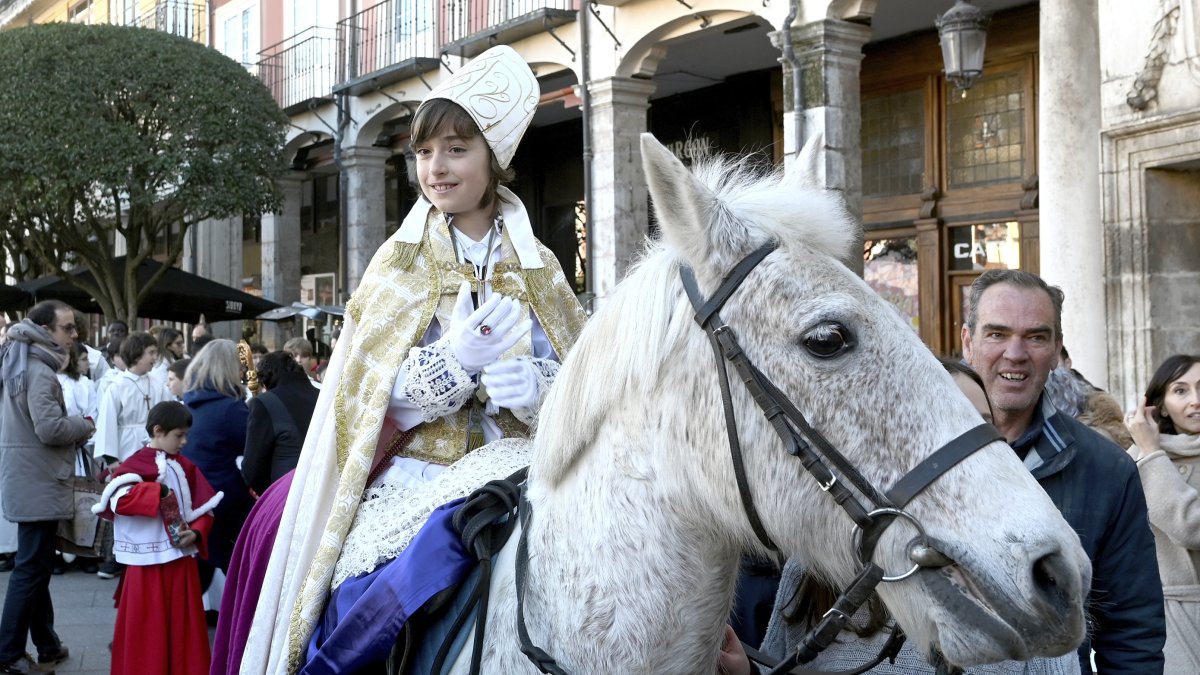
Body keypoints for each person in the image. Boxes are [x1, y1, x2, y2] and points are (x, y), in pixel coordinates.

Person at [229, 45, 587, 675]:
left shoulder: (544, 269)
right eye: (424, 152)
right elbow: (360, 395)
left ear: (494, 159)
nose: (436, 168)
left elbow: (587, 385)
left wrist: (539, 390)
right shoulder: (397, 263)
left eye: (456, 148)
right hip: (418, 477)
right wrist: (449, 363)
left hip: (525, 464)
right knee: (365, 602)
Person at [727, 360, 1080, 675]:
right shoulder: (815, 574)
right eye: (942, 431)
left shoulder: (1026, 572)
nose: (969, 451)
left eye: (981, 427)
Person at [960, 269, 1164, 673]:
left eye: (1035, 337)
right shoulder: (905, 455)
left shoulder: (1107, 470)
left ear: (1057, 351)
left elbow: (1131, 629)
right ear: (968, 341)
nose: (1015, 354)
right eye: (997, 334)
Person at [0, 300, 95, 675]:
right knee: (30, 570)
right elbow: (51, 429)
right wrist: (84, 424)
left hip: (30, 476)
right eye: (67, 328)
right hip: (38, 479)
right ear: (44, 329)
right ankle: (7, 654)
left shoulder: (19, 361)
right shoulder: (37, 369)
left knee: (35, 566)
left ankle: (47, 644)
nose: (74, 336)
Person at [94, 401, 222, 675]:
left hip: (180, 562)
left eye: (186, 434)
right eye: (179, 435)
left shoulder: (184, 466)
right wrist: (157, 492)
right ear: (158, 431)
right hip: (145, 568)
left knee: (183, 628)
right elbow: (119, 501)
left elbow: (204, 509)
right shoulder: (135, 465)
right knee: (146, 631)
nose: (185, 441)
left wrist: (196, 532)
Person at [1124, 354, 1200, 675]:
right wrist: (1150, 452)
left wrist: (1153, 453)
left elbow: (1192, 527)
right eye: (1181, 391)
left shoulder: (1149, 457)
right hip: (1159, 622)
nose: (1196, 400)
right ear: (1162, 406)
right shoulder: (1134, 460)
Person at [181, 339, 252, 579]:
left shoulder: (190, 402)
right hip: (225, 499)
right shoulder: (230, 409)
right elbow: (253, 447)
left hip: (195, 494)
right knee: (242, 569)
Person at [241, 351, 319, 495]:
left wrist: (271, 495)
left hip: (286, 494)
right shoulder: (321, 394)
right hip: (325, 489)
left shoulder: (264, 403)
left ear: (266, 381)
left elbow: (252, 468)